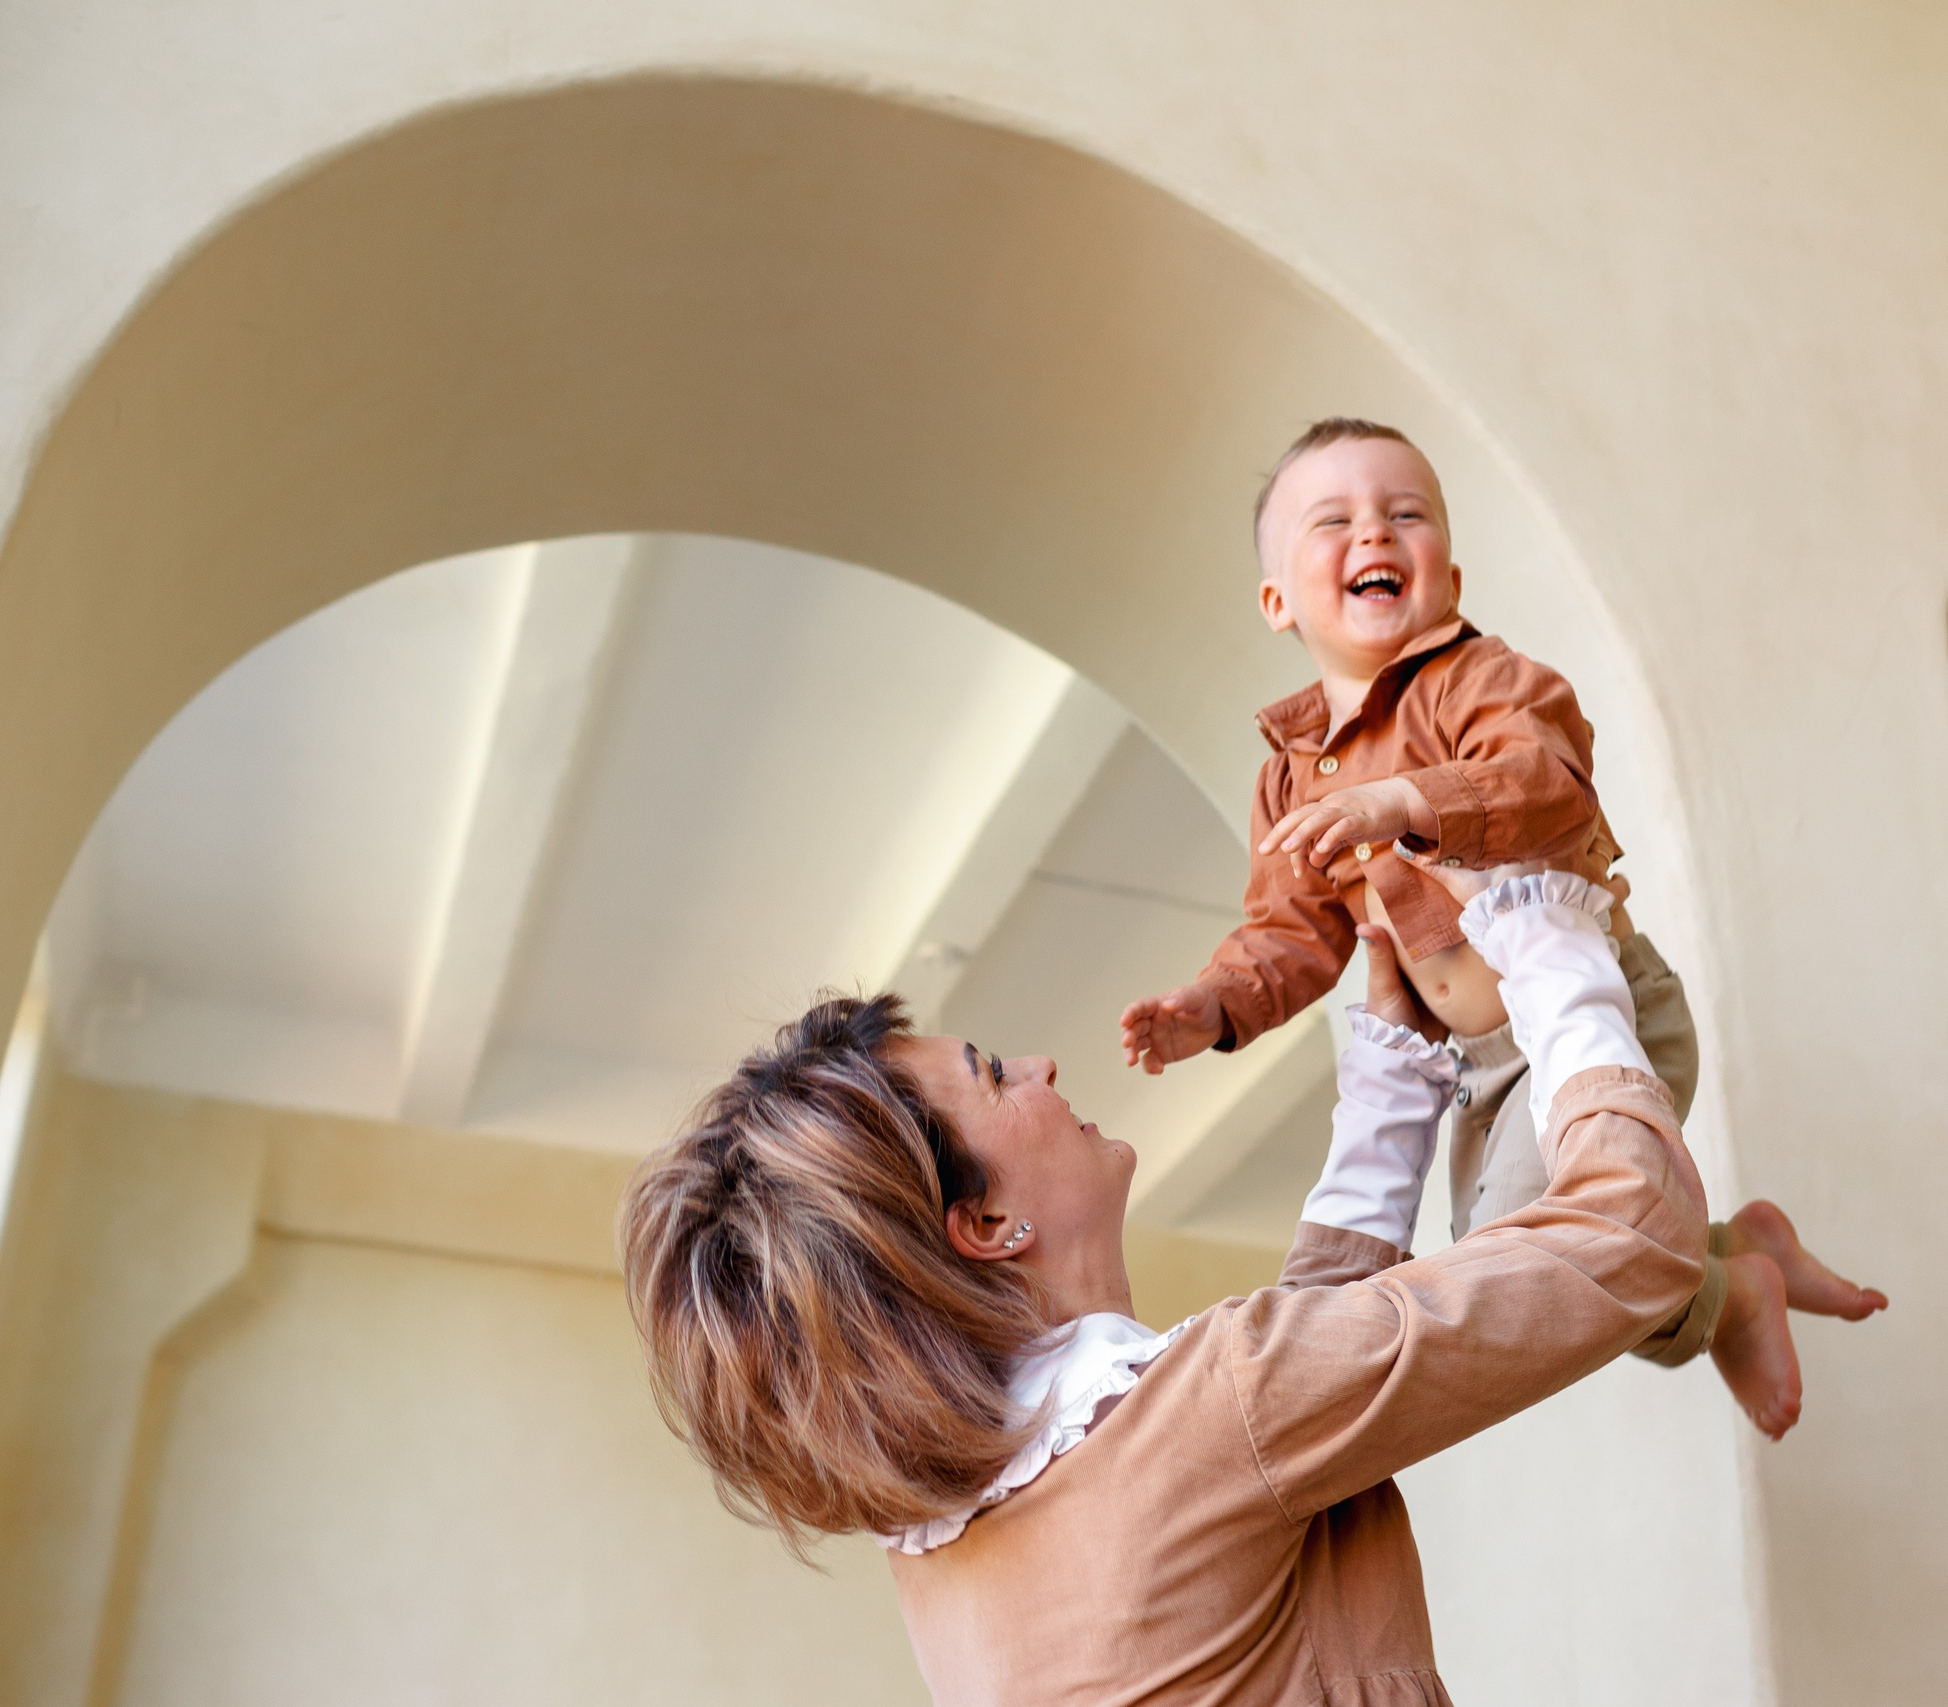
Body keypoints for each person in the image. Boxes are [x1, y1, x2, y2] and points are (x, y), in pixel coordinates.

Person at [624, 857, 1736, 1703]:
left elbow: (1282, 1400)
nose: (1043, 1066)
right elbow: (1634, 1237)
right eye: (996, 1074)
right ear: (988, 1223)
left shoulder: (946, 1548)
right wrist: (1551, 948)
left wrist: (1390, 1090)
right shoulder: (1216, 1412)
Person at [1116, 417, 1881, 1437]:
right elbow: (1291, 933)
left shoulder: (1481, 680)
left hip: (1592, 1008)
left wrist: (1405, 804)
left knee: (1538, 1245)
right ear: (1276, 601)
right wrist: (1208, 1007)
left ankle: (1731, 1299)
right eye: (1333, 521)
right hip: (1480, 1062)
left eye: (1406, 514)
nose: (1375, 536)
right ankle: (1737, 1255)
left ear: (1451, 572)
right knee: (1505, 1257)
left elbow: (1545, 785)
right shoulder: (1287, 776)